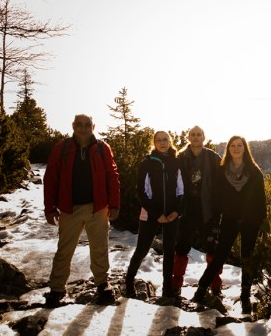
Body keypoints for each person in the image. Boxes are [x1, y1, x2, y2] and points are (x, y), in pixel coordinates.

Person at [43, 114, 120, 307]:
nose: (83, 128)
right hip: (70, 209)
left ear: (93, 126)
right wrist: (50, 208)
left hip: (98, 208)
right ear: (73, 125)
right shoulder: (61, 148)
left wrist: (114, 204)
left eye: (87, 125)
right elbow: (51, 178)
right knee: (64, 250)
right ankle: (57, 289)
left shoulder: (102, 148)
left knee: (100, 248)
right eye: (79, 124)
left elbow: (112, 176)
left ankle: (102, 284)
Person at [192, 135, 267, 314]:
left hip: (251, 221)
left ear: (245, 148)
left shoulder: (254, 172)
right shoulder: (222, 171)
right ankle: (201, 290)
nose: (236, 148)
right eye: (233, 145)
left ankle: (245, 297)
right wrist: (215, 222)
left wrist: (263, 222)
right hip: (229, 220)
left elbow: (261, 200)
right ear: (228, 149)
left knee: (247, 258)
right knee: (219, 256)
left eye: (239, 145)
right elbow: (216, 199)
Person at [125, 131, 184, 298]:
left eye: (165, 139)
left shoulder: (177, 162)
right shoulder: (147, 163)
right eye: (159, 140)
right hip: (150, 213)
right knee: (142, 249)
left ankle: (167, 289)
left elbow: (181, 190)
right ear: (154, 143)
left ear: (170, 141)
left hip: (172, 214)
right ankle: (129, 282)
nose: (162, 143)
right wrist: (157, 214)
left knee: (169, 252)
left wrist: (176, 211)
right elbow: (141, 192)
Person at [172, 126, 223, 297]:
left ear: (203, 137)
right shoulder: (180, 157)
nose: (195, 137)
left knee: (212, 249)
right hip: (187, 208)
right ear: (188, 137)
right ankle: (176, 284)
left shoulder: (213, 158)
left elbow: (221, 182)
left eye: (198, 134)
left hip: (206, 208)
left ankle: (215, 286)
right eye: (192, 135)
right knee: (181, 247)